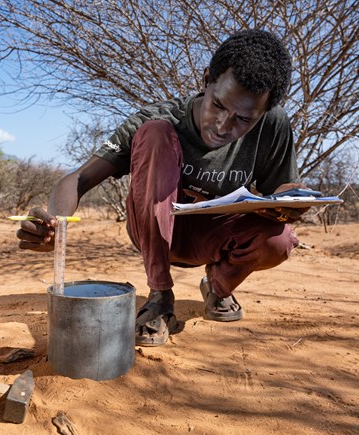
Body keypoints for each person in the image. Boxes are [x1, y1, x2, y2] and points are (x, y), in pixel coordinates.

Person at [16, 29, 307, 347]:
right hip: (153, 229)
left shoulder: (273, 125)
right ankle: (159, 297)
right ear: (206, 79)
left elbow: (278, 188)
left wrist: (293, 199)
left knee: (280, 239)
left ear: (263, 114)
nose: (223, 125)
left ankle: (219, 287)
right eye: (218, 106)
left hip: (213, 237)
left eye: (243, 119)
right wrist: (56, 223)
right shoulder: (159, 118)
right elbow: (78, 179)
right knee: (155, 134)